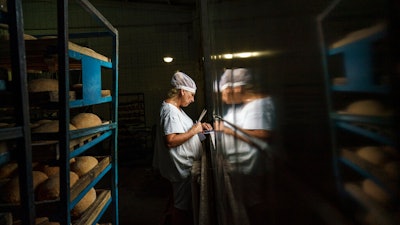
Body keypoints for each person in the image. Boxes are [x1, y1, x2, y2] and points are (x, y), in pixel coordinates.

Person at [214, 68, 275, 225]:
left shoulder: (260, 105)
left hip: (251, 166)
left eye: (224, 92)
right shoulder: (244, 106)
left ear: (237, 88)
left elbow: (262, 134)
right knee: (249, 201)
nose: (223, 98)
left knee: (254, 202)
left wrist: (227, 130)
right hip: (241, 165)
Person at [153, 71, 212, 225]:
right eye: (191, 95)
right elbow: (171, 141)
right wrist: (194, 130)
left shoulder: (177, 109)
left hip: (185, 166)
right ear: (182, 91)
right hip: (181, 169)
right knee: (182, 208)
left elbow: (187, 134)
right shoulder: (170, 112)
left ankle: (168, 218)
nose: (192, 100)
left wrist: (201, 130)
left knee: (177, 202)